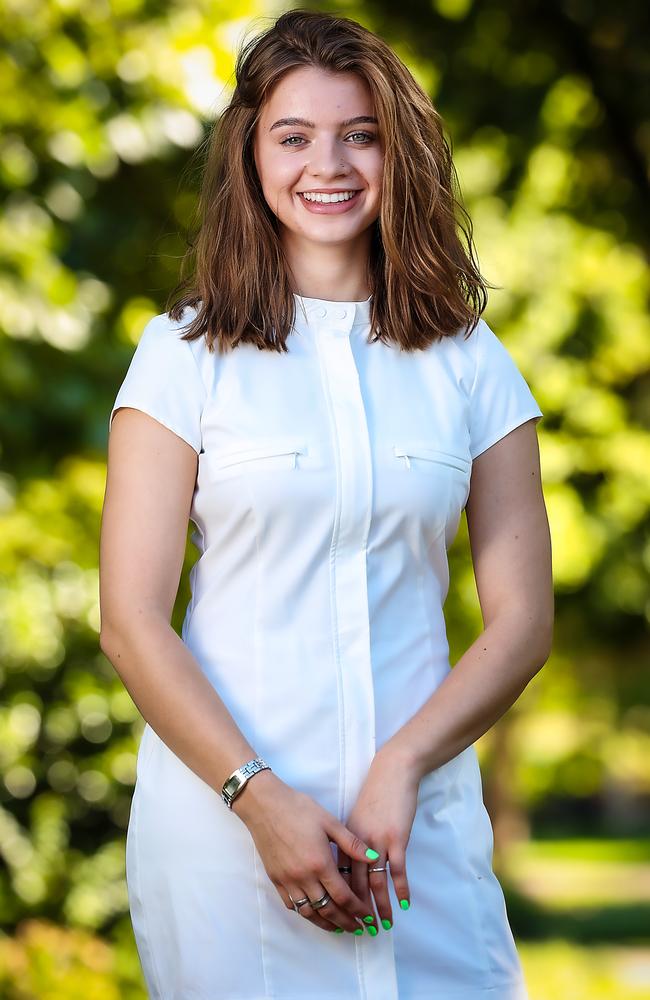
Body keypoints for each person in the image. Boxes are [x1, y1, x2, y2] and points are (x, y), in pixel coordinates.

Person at [99, 8, 553, 999]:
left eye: (358, 134)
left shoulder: (471, 363)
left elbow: (520, 623)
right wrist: (256, 801)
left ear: (397, 152)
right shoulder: (180, 357)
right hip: (225, 838)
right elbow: (131, 623)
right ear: (249, 156)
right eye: (292, 136)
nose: (328, 165)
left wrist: (401, 764)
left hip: (418, 831)